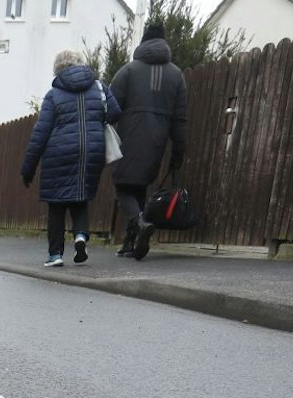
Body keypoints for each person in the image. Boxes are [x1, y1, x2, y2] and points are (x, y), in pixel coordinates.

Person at [21, 50, 119, 268]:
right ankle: (81, 236)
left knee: (56, 205)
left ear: (57, 69)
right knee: (80, 197)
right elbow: (115, 112)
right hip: (92, 150)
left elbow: (40, 134)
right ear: (80, 64)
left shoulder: (53, 95)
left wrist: (28, 169)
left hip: (59, 152)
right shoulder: (99, 87)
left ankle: (55, 254)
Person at [110, 19, 190, 261]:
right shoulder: (177, 76)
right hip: (158, 140)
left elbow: (111, 107)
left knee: (123, 187)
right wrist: (178, 151)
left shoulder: (128, 71)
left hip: (128, 136)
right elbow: (180, 119)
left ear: (143, 41)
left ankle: (140, 223)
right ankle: (129, 242)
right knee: (140, 187)